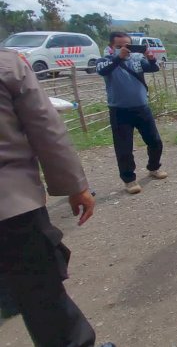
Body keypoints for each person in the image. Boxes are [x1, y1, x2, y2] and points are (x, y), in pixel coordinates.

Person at [0, 49, 103, 346]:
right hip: (11, 206)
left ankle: (9, 299)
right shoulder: (8, 64)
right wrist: (75, 186)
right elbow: (46, 128)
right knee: (43, 297)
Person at [96, 31, 168, 195]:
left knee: (155, 141)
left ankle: (154, 168)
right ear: (111, 47)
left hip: (142, 108)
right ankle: (129, 180)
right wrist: (118, 57)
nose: (124, 49)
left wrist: (150, 56)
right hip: (119, 111)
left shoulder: (136, 60)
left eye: (127, 46)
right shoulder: (105, 61)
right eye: (119, 46)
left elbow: (153, 67)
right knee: (124, 149)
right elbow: (102, 71)